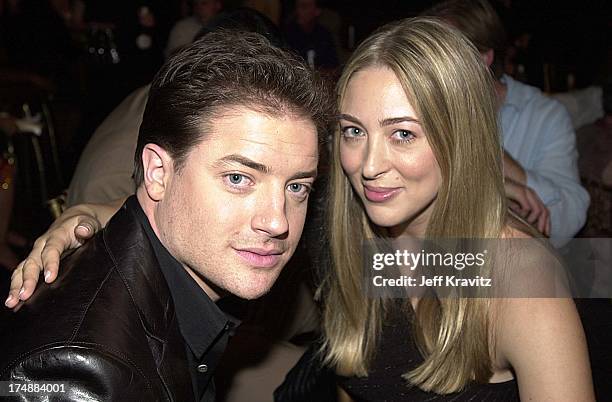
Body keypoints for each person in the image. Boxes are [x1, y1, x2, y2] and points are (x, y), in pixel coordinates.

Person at [6, 16, 595, 402]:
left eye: (404, 134)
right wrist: (84, 216)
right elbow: (210, 206)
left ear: (460, 138)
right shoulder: (355, 226)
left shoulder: (512, 277)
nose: (368, 165)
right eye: (352, 131)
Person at [1, 29, 330, 401]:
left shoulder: (173, 285)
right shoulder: (85, 375)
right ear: (158, 173)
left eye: (297, 187)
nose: (278, 222)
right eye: (238, 178)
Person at [424, 0, 589, 247]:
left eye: (442, 54)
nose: (428, 67)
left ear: (483, 58)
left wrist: (490, 155)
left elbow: (568, 220)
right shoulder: (418, 107)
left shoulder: (543, 115)